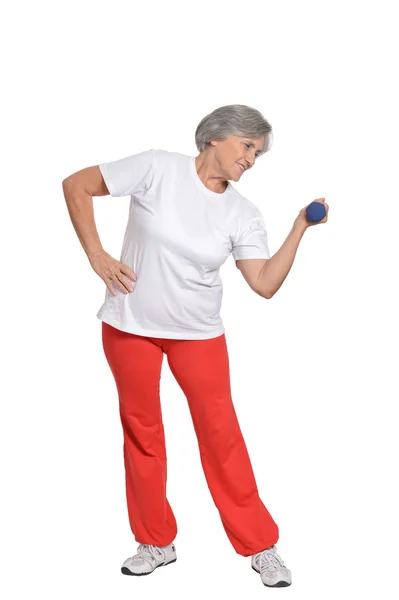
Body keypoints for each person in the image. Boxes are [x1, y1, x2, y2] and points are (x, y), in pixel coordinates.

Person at [62, 104, 329, 588]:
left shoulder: (242, 213)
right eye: (248, 146)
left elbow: (264, 283)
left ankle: (261, 547)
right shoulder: (156, 168)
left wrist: (299, 229)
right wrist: (97, 256)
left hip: (198, 335)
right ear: (217, 137)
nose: (252, 159)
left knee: (220, 435)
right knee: (142, 433)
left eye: (258, 153)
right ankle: (155, 542)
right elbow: (75, 185)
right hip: (130, 325)